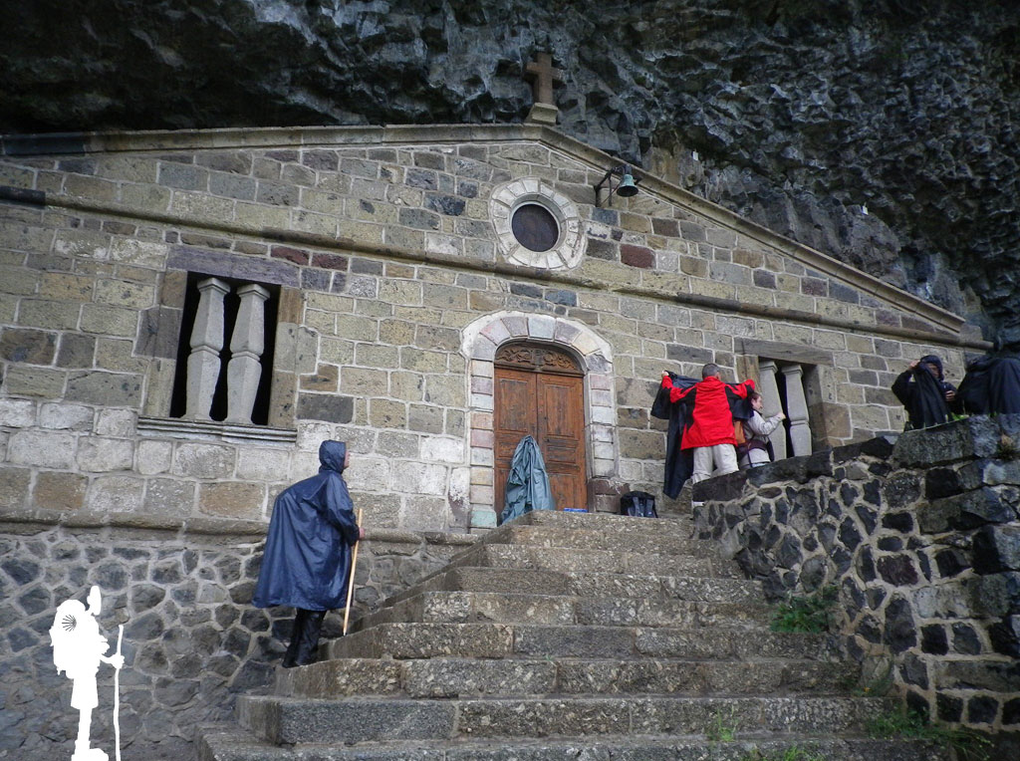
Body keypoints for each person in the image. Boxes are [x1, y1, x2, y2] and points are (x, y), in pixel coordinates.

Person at [253, 440, 364, 668]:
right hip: (321, 557)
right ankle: (304, 659)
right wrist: (355, 531)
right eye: (346, 452)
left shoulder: (320, 482)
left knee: (307, 609)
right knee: (314, 608)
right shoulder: (333, 481)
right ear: (336, 456)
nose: (349, 455)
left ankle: (292, 658)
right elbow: (340, 512)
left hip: (315, 554)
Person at [50, 586, 124, 761]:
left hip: (89, 671)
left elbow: (94, 649)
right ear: (89, 600)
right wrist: (107, 657)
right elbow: (86, 647)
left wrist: (111, 660)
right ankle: (81, 749)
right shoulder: (82, 620)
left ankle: (83, 747)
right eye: (95, 599)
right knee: (86, 709)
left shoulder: (90, 622)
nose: (98, 604)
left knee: (88, 710)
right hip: (83, 672)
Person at [659, 363, 755, 485]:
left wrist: (666, 378)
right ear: (718, 376)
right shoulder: (727, 389)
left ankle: (699, 504)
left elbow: (671, 393)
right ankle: (734, 503)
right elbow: (748, 388)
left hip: (700, 441)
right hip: (723, 439)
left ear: (703, 376)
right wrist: (750, 379)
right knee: (731, 474)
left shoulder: (693, 391)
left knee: (701, 476)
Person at [891, 354, 957, 430]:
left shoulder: (946, 387)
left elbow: (959, 408)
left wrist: (955, 397)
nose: (931, 372)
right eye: (928, 369)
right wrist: (909, 371)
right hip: (919, 428)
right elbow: (898, 388)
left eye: (934, 369)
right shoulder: (913, 389)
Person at [737, 391, 786, 469]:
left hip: (748, 459)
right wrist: (778, 417)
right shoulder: (751, 414)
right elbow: (763, 430)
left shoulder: (743, 415)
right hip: (755, 459)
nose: (761, 406)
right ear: (753, 401)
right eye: (759, 402)